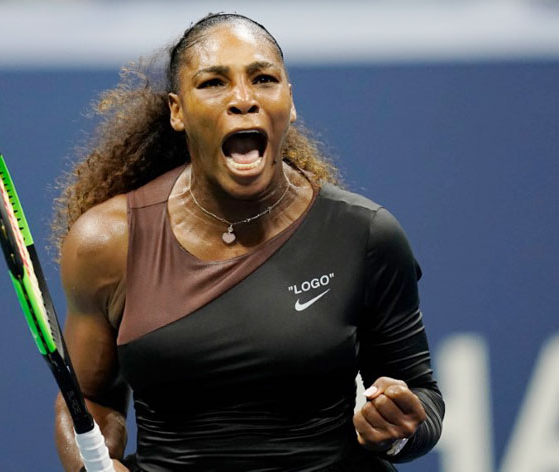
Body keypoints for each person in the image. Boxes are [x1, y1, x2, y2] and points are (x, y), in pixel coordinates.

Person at [53, 12, 444, 472]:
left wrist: (398, 432)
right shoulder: (106, 243)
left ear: (290, 101)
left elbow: (423, 401)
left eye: (263, 79)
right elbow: (90, 398)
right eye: (214, 83)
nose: (243, 99)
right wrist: (94, 466)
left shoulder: (365, 234)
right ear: (177, 111)